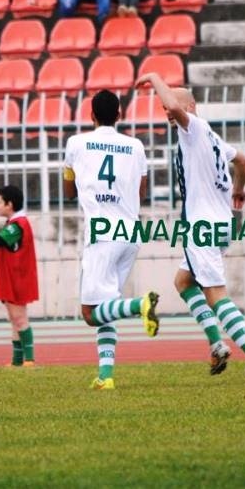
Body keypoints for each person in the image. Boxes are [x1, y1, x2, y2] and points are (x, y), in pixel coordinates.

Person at [136, 73, 245, 384]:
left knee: (215, 294)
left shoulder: (194, 129)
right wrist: (238, 190)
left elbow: (173, 104)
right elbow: (242, 160)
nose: (168, 112)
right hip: (221, 221)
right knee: (184, 282)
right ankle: (216, 343)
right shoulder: (211, 136)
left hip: (203, 225)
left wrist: (154, 78)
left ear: (191, 107)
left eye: (174, 108)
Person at [63, 89, 160, 390]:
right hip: (130, 231)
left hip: (102, 232)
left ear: (91, 115)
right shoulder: (136, 145)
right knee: (106, 306)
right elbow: (141, 191)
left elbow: (69, 191)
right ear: (120, 115)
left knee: (90, 313)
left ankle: (139, 305)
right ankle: (105, 376)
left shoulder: (76, 143)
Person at [0, 185, 39, 367]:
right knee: (14, 320)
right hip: (11, 277)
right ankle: (17, 361)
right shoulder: (13, 224)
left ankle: (29, 359)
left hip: (17, 278)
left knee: (20, 318)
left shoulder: (19, 224)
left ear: (10, 205)